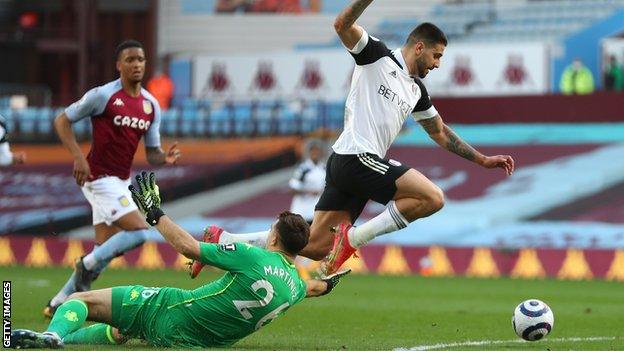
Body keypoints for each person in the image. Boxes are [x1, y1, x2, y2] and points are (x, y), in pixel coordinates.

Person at [191, 0, 514, 277]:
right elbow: (342, 23)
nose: (437, 64)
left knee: (314, 246)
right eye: (436, 55)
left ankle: (220, 240)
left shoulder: (416, 89)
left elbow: (440, 132)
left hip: (349, 165)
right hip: (356, 156)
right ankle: (354, 240)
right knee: (432, 198)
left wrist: (483, 160)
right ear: (419, 47)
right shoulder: (376, 56)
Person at [10, 172, 350, 349]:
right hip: (198, 340)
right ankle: (64, 340)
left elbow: (188, 246)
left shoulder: (254, 256)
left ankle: (54, 336)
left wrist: (155, 213)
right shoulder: (293, 287)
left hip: (171, 311)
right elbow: (314, 289)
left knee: (78, 299)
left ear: (274, 237)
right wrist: (331, 279)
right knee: (121, 330)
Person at [44, 40, 181, 317]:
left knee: (102, 253)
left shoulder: (151, 105)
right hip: (96, 176)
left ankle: (58, 302)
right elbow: (62, 120)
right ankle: (86, 263)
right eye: (130, 60)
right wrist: (78, 156)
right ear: (119, 65)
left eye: (140, 59)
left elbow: (151, 152)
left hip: (119, 179)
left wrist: (164, 157)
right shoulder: (103, 95)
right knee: (140, 232)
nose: (136, 64)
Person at [289, 139, 326, 225]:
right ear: (309, 152)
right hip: (302, 212)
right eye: (313, 151)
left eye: (317, 151)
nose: (315, 153)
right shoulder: (303, 169)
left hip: (317, 212)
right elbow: (293, 189)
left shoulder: (324, 169)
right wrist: (309, 191)